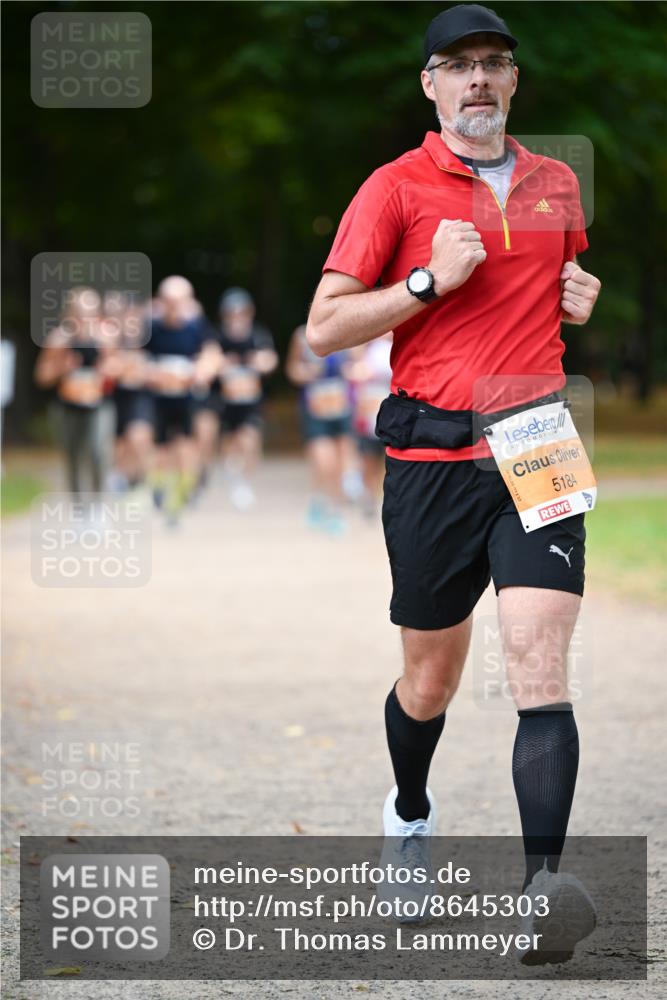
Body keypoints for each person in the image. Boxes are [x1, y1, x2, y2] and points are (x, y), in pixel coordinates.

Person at [306, 4, 601, 964]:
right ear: (429, 85)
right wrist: (428, 284)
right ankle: (410, 811)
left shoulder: (557, 184)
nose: (478, 79)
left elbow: (555, 289)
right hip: (432, 459)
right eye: (457, 66)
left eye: (493, 64)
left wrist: (579, 295)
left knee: (537, 666)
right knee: (429, 680)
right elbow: (325, 327)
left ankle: (539, 892)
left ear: (513, 83)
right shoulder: (394, 188)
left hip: (537, 442)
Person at [145, 276, 220, 524]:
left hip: (187, 398)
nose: (174, 306)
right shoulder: (152, 328)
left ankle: (184, 493)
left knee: (187, 446)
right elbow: (137, 360)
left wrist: (201, 371)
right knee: (160, 448)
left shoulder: (197, 327)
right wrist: (153, 374)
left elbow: (211, 354)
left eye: (179, 301)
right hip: (159, 398)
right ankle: (159, 489)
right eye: (169, 301)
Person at [34, 286, 116, 494]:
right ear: (69, 313)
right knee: (72, 457)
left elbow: (120, 370)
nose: (84, 319)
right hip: (67, 407)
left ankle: (97, 505)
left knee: (98, 453)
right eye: (79, 313)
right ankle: (79, 508)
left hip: (99, 405)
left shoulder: (106, 339)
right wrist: (63, 368)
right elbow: (41, 377)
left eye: (89, 313)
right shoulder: (59, 340)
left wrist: (107, 370)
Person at [215, 288, 278, 510]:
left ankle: (244, 482)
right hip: (226, 402)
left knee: (250, 440)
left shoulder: (258, 334)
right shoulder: (218, 337)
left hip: (251, 401)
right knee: (230, 442)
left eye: (241, 313)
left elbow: (269, 360)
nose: (237, 318)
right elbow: (210, 361)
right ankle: (232, 474)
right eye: (232, 313)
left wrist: (255, 363)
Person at [286, 324, 352, 535]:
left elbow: (358, 363)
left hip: (341, 406)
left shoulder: (349, 329)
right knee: (325, 461)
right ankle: (321, 500)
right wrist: (306, 373)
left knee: (342, 464)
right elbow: (292, 369)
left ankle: (334, 509)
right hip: (315, 407)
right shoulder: (302, 335)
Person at [347, 332, 393, 517]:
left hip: (390, 410)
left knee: (389, 459)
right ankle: (368, 496)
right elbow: (354, 370)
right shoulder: (366, 346)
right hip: (368, 411)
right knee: (368, 458)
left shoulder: (396, 345)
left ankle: (384, 498)